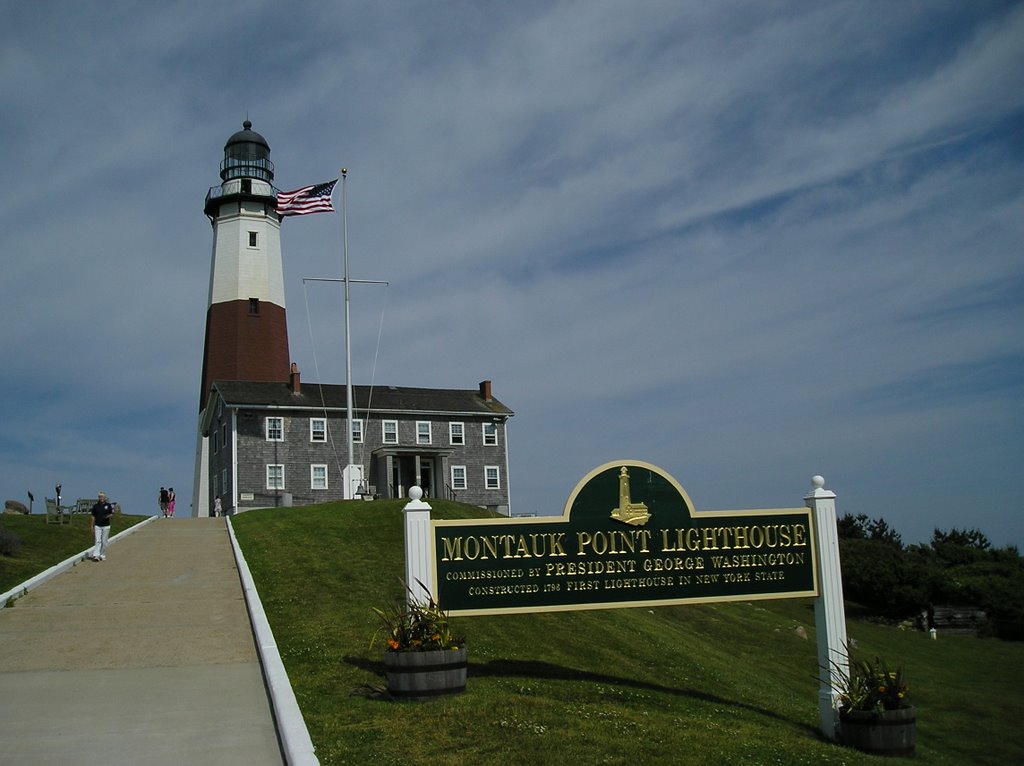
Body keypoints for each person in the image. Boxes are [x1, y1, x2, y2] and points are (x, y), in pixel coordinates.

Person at [90, 491, 114, 561]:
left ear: (105, 498)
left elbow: (111, 514)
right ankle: (96, 555)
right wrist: (92, 526)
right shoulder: (95, 506)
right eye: (100, 497)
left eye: (102, 497)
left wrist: (108, 516)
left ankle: (102, 554)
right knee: (98, 540)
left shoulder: (108, 505)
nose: (101, 498)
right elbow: (93, 516)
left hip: (106, 526)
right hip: (98, 525)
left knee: (104, 541)